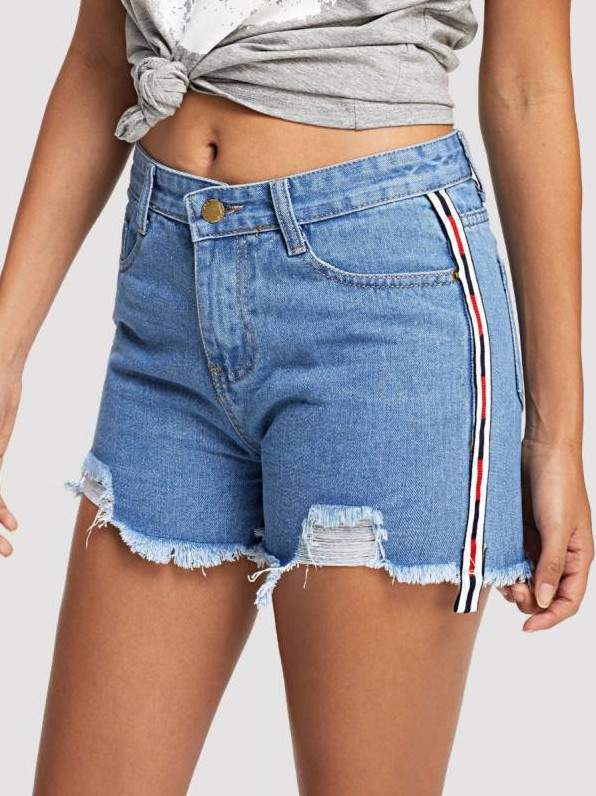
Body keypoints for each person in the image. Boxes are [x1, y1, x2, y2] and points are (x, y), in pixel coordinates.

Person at [0, 1, 592, 793]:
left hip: (383, 303)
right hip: (165, 294)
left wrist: (556, 436)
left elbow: (528, 88)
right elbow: (100, 58)